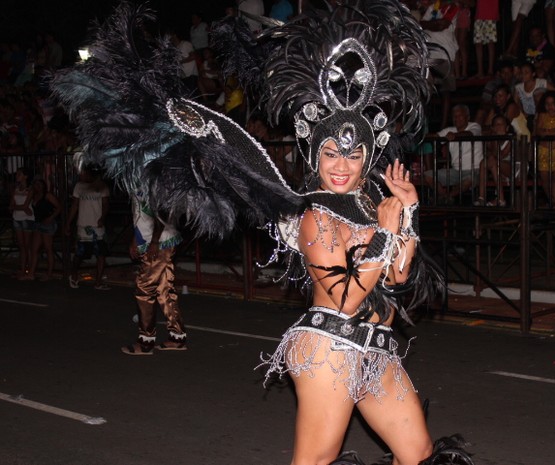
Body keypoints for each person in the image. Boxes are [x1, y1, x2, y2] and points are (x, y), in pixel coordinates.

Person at [50, 3, 474, 463]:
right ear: (315, 155)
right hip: (329, 353)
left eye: (352, 156)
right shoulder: (314, 215)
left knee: (420, 454)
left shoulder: (374, 204)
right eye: (331, 152)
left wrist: (407, 213)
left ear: (367, 158)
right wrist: (384, 234)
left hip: (379, 351)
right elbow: (345, 298)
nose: (341, 165)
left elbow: (395, 279)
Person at [121, 194, 186, 355]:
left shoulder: (151, 175)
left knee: (145, 288)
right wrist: (136, 239)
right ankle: (177, 337)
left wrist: (155, 241)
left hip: (159, 242)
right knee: (165, 290)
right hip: (153, 239)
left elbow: (162, 210)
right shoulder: (136, 177)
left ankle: (146, 341)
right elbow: (139, 212)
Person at [424, 104, 484, 204]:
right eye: (454, 116)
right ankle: (444, 196)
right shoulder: (449, 130)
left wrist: (455, 136)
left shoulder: (474, 126)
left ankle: (446, 197)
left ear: (467, 117)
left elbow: (470, 134)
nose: (457, 118)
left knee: (469, 180)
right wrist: (419, 136)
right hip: (455, 171)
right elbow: (435, 136)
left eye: (460, 115)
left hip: (474, 169)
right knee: (428, 176)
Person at [65, 165, 110, 290]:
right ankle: (73, 275)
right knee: (80, 254)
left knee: (101, 254)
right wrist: (68, 223)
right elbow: (74, 206)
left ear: (89, 173)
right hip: (83, 225)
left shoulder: (102, 186)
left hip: (98, 226)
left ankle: (98, 282)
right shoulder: (79, 186)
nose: (80, 175)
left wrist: (102, 217)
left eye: (82, 173)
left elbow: (106, 205)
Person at [420, 0, 460, 128]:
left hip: (445, 53)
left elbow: (442, 25)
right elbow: (420, 24)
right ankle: (424, 124)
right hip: (430, 53)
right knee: (425, 90)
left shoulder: (453, 7)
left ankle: (443, 126)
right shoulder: (433, 7)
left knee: (445, 91)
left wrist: (431, 25)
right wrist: (434, 24)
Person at [475, 114, 515, 207]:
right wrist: (493, 140)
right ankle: (481, 198)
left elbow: (500, 155)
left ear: (507, 127)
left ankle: (501, 200)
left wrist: (495, 141)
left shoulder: (511, 138)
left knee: (492, 160)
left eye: (501, 124)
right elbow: (489, 155)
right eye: (496, 125)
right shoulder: (491, 140)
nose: (499, 127)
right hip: (498, 168)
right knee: (483, 162)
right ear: (492, 128)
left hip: (514, 168)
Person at [27, 178, 60, 281]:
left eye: (40, 184)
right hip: (38, 224)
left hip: (47, 224)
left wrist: (51, 218)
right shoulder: (34, 195)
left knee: (48, 248)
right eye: (36, 184)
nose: (38, 186)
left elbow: (59, 207)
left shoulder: (48, 196)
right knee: (34, 249)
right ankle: (31, 273)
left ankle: (49, 274)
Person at [514, 61, 555, 132]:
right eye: (522, 73)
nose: (523, 75)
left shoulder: (541, 83)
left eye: (526, 72)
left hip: (542, 114)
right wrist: (523, 114)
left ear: (533, 74)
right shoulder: (518, 87)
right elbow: (515, 103)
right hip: (527, 116)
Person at [10, 167, 34, 279]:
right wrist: (21, 208)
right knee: (22, 246)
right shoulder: (15, 189)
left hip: (26, 219)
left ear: (25, 176)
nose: (17, 176)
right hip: (17, 218)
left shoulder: (30, 189)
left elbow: (25, 206)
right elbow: (11, 206)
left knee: (27, 246)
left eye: (19, 174)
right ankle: (23, 269)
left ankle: (29, 271)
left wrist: (17, 207)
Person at [472, 0, 499, 79]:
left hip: (490, 14)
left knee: (490, 43)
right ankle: (480, 71)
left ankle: (490, 70)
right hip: (479, 14)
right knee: (478, 43)